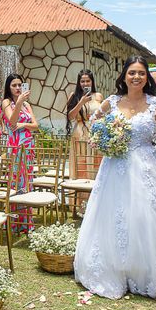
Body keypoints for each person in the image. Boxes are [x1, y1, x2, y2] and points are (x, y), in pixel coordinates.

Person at [74, 56, 156, 300]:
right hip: (114, 165)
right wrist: (103, 140)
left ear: (147, 77)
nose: (136, 77)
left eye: (141, 73)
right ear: (124, 76)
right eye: (131, 73)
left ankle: (146, 270)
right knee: (114, 216)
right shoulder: (112, 101)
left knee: (146, 215)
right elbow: (95, 122)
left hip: (147, 166)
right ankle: (116, 268)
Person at [2, 74, 38, 233]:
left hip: (28, 145)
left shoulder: (27, 104)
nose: (17, 88)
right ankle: (14, 221)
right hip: (15, 146)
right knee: (16, 181)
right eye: (14, 85)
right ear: (8, 87)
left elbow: (35, 125)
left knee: (27, 181)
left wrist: (23, 124)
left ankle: (26, 222)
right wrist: (19, 103)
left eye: (19, 85)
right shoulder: (6, 102)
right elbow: (11, 121)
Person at [65, 69, 104, 210]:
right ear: (78, 82)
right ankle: (81, 206)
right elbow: (70, 116)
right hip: (80, 133)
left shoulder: (98, 96)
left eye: (88, 81)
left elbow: (103, 113)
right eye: (82, 81)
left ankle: (97, 206)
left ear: (92, 82)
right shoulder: (74, 95)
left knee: (95, 167)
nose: (85, 83)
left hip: (96, 134)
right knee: (81, 168)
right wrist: (81, 102)